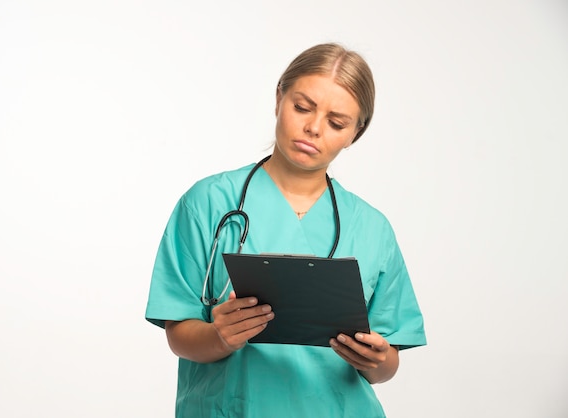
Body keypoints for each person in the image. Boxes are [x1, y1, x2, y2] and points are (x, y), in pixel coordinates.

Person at [145, 42, 426, 417]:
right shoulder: (209, 204)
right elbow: (178, 332)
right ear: (279, 98)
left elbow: (386, 364)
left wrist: (374, 360)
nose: (313, 128)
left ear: (355, 133)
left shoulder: (372, 228)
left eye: (336, 122)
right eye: (302, 107)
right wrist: (219, 335)